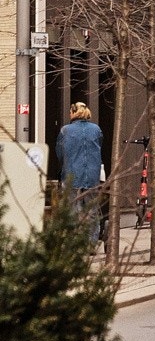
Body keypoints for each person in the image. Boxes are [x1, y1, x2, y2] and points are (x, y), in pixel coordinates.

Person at [56, 104, 105, 243]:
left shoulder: (65, 130)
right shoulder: (96, 129)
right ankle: (91, 243)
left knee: (73, 210)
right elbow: (99, 145)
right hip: (92, 175)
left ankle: (74, 244)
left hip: (71, 175)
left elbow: (59, 152)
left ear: (73, 113)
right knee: (91, 209)